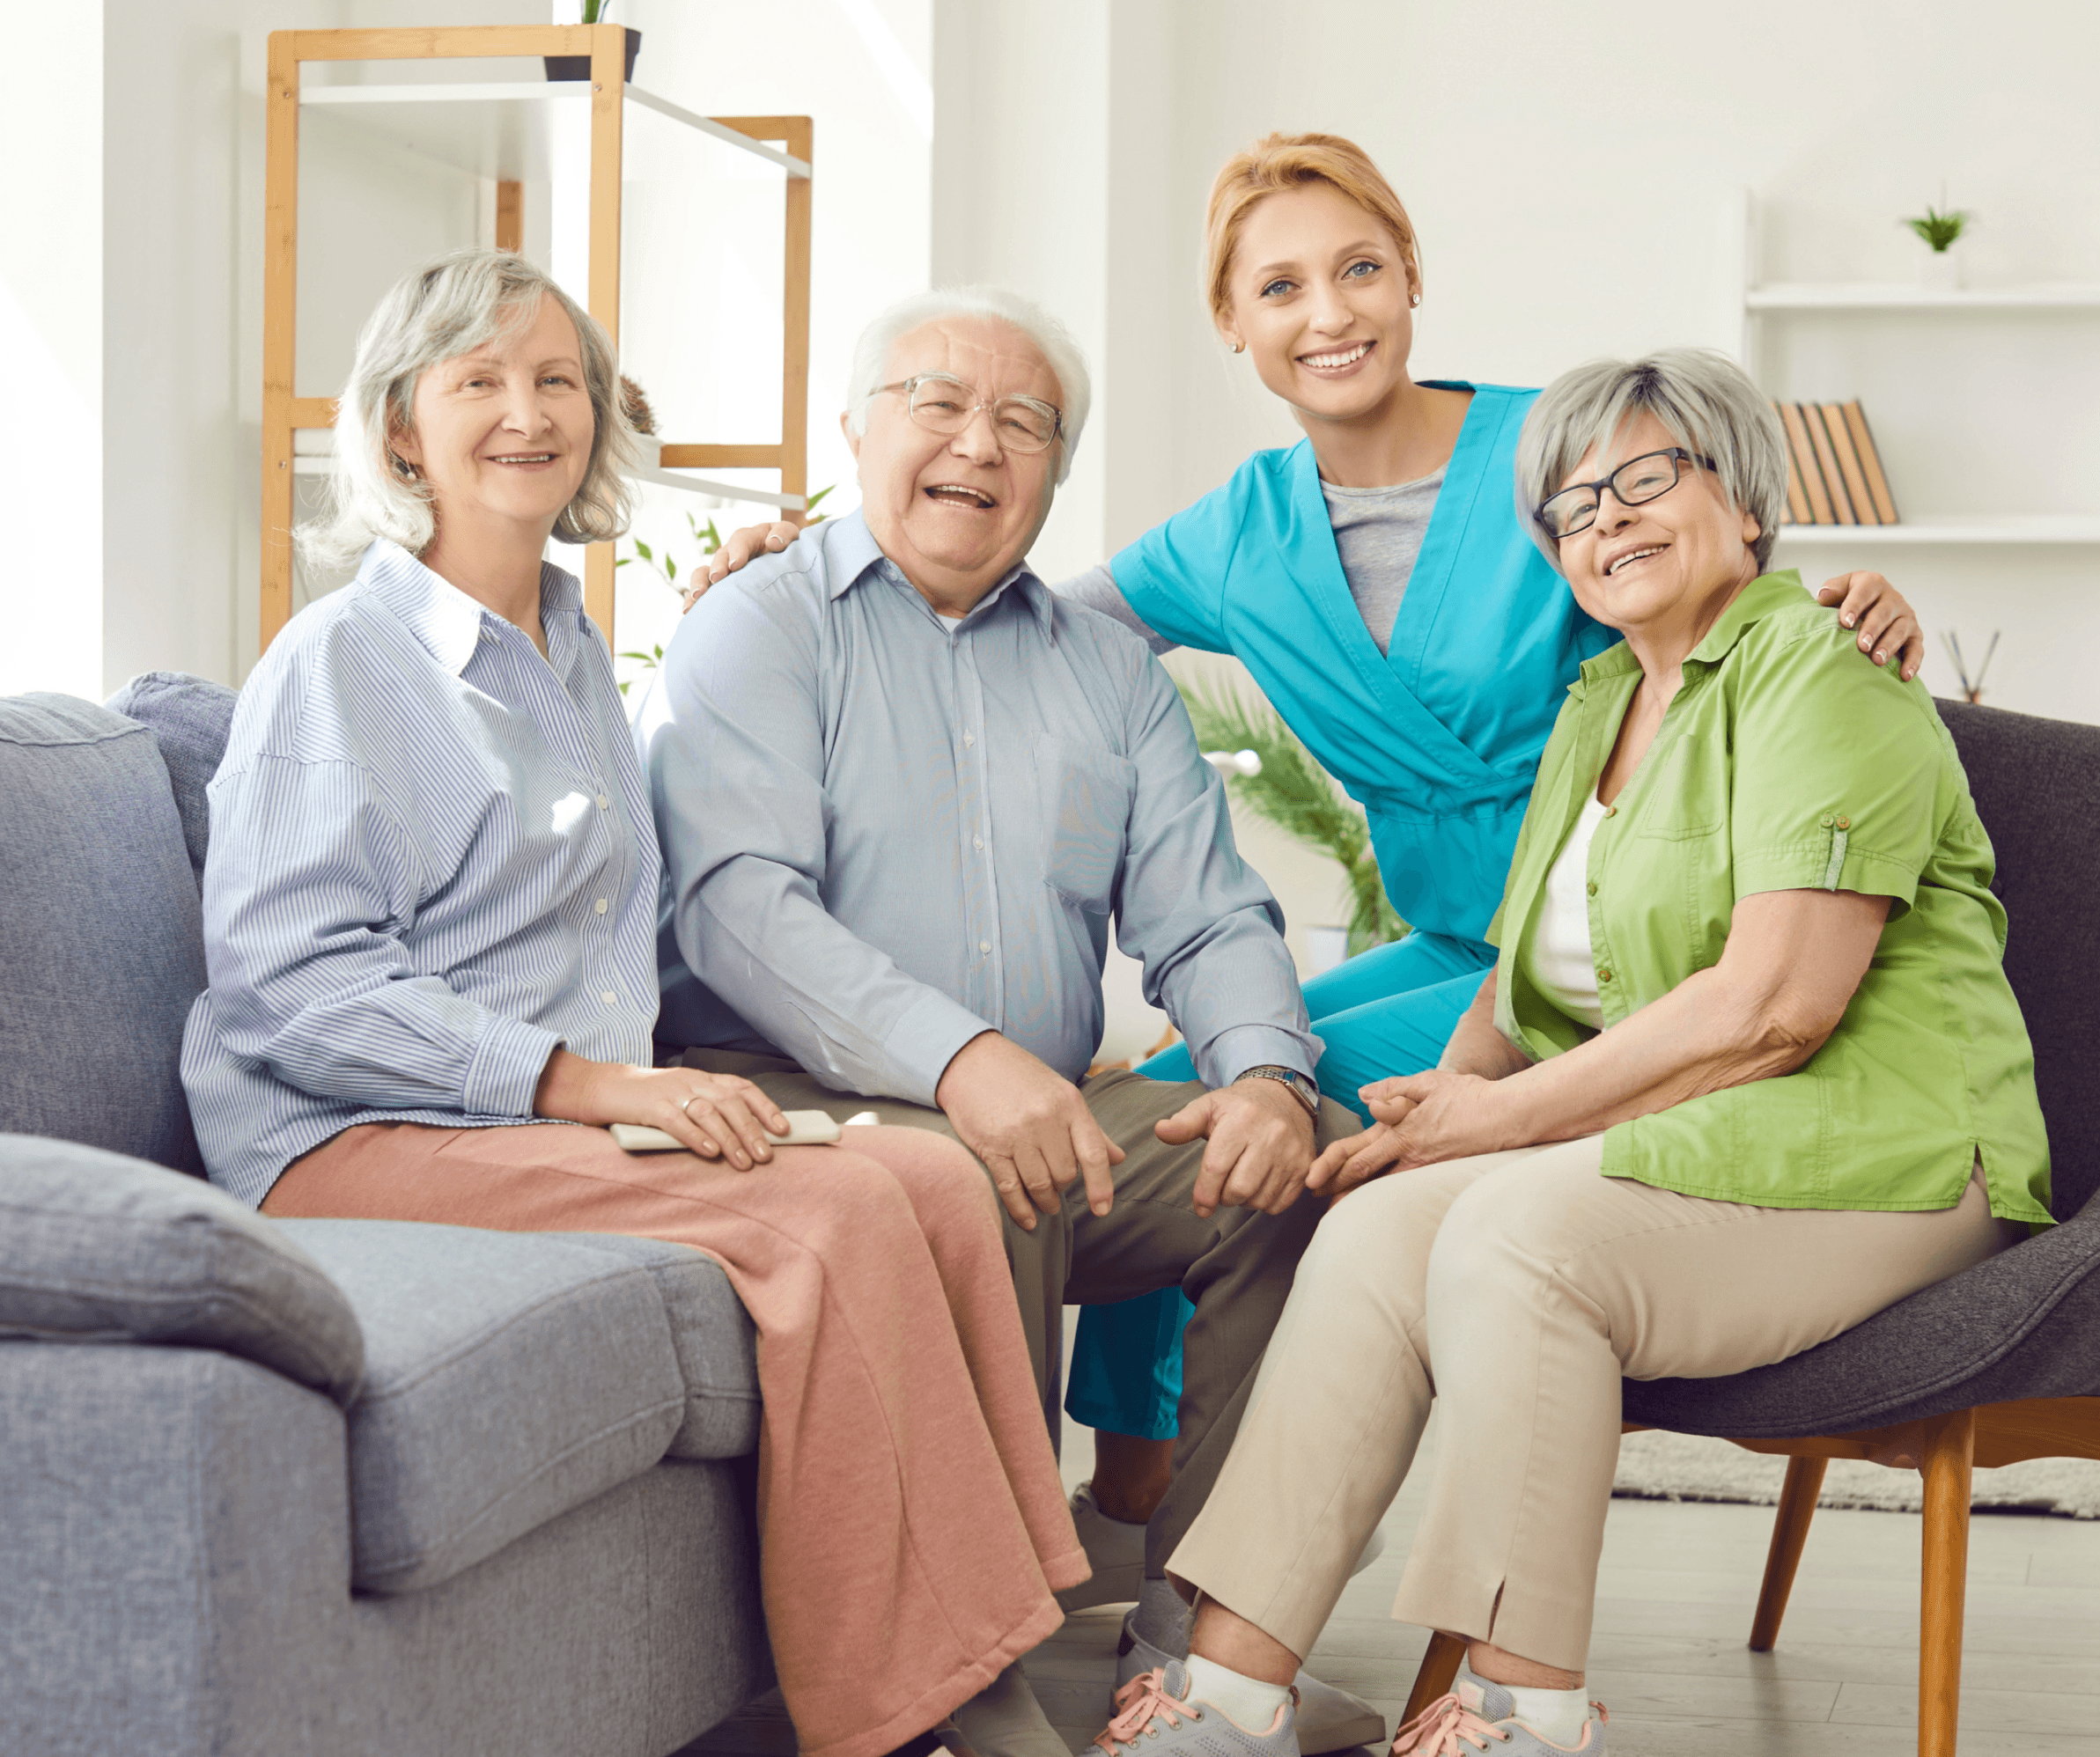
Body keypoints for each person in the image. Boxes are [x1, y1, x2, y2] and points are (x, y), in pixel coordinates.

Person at [686, 131, 1935, 1687]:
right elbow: (1006, 623)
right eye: (1278, 285)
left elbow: (1714, 584)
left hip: (1614, 950)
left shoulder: (1555, 453)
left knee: (1297, 1106)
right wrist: (797, 565)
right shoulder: (1237, 530)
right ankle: (1137, 1504)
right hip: (1450, 944)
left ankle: (1188, 1578)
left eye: (1358, 268)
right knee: (1202, 1093)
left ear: (1412, 276)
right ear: (1233, 322)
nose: (1328, 312)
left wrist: (1852, 601)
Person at [1070, 348, 2053, 1757]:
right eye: (1574, 504)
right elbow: (1524, 987)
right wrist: (1445, 1094)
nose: (1610, 518)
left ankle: (1521, 1706)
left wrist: (1503, 1121)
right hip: (1713, 1151)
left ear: (1749, 502)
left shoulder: (1818, 670)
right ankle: (1227, 1688)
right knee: (1377, 1219)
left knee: (1516, 1238)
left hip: (1887, 1159)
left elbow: (1777, 1006)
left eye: (1650, 477)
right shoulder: (1599, 708)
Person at [181, 250, 1085, 1757]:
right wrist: (598, 1090)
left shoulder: (572, 644)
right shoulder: (339, 659)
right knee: (841, 1214)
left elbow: (598, 896)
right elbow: (290, 984)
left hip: (532, 1123)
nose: (527, 414)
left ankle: (999, 1643)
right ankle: (925, 1713)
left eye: (559, 383)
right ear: (402, 430)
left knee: (927, 1177)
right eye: (479, 382)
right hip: (350, 1137)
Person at [639, 285, 1383, 1754]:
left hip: (1040, 1106)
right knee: (991, 1166)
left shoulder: (1110, 672)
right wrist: (959, 1063)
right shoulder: (760, 626)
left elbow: (1212, 911)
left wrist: (1263, 1079)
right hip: (789, 1105)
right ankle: (971, 1670)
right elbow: (737, 906)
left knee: (1306, 1174)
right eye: (938, 403)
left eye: (1024, 421)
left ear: (1055, 465)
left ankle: (1204, 1654)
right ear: (857, 432)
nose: (978, 443)